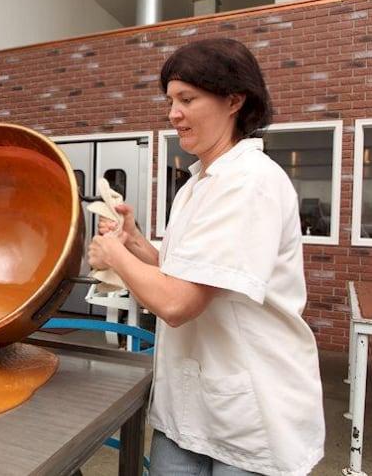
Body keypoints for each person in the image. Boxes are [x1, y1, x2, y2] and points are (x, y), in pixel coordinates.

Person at [88, 38, 324, 475]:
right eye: (171, 100)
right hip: (191, 406)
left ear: (234, 100)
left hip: (251, 412)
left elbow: (180, 303)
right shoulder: (200, 182)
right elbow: (189, 272)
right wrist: (136, 243)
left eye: (187, 99)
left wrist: (114, 256)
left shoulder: (250, 181)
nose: (173, 113)